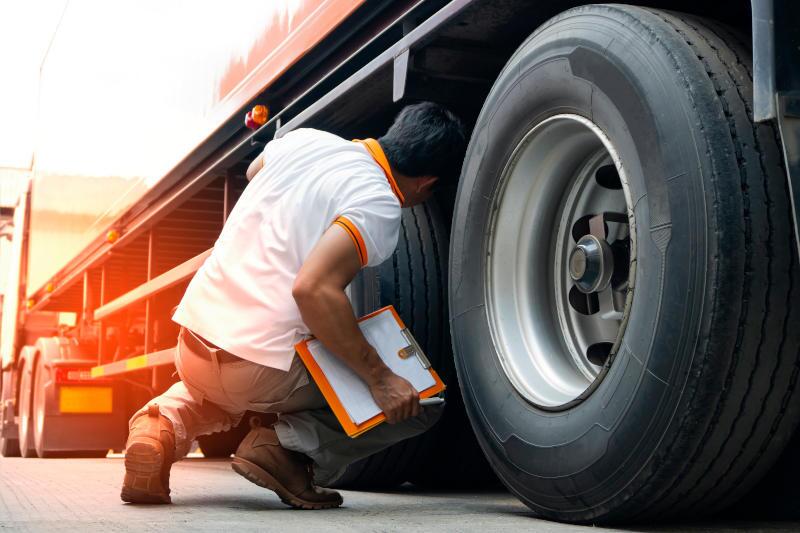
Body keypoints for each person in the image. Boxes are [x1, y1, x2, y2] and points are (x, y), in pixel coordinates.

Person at [120, 102, 467, 509]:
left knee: (218, 391)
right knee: (419, 402)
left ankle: (158, 427)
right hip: (258, 370)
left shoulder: (305, 140)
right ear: (427, 184)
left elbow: (254, 172)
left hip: (193, 343)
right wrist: (382, 379)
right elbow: (314, 289)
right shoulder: (377, 200)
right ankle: (283, 450)